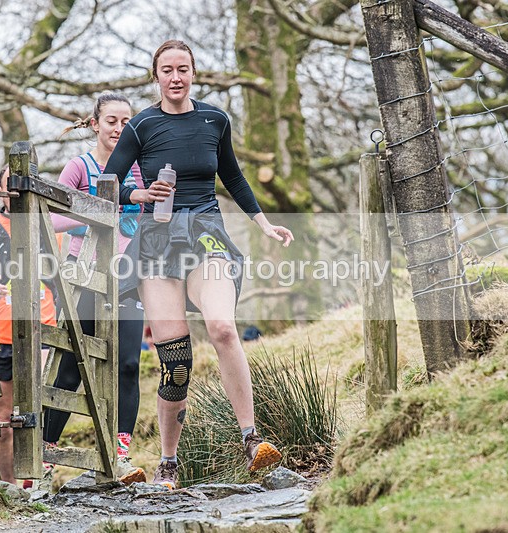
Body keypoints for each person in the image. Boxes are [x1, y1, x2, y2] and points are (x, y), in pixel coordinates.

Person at [104, 40, 295, 489]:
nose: (176, 77)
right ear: (156, 76)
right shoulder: (141, 125)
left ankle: (251, 440)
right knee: (177, 361)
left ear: (194, 72)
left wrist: (264, 225)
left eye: (183, 68)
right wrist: (139, 196)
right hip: (157, 242)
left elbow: (233, 176)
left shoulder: (215, 119)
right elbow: (106, 186)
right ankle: (168, 462)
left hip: (207, 233)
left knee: (224, 328)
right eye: (167, 69)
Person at [44, 92, 147, 485]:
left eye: (126, 122)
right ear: (95, 124)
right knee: (73, 368)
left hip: (129, 277)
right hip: (84, 276)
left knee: (129, 365)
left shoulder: (139, 169)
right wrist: (96, 213)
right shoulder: (79, 166)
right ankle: (46, 456)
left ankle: (121, 455)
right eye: (111, 122)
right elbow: (49, 220)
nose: (119, 129)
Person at [0, 165, 61, 485]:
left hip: (43, 330)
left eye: (25, 185)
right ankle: (11, 492)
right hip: (1, 333)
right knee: (4, 418)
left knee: (39, 410)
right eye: (11, 185)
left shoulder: (49, 228)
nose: (18, 192)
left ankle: (37, 483)